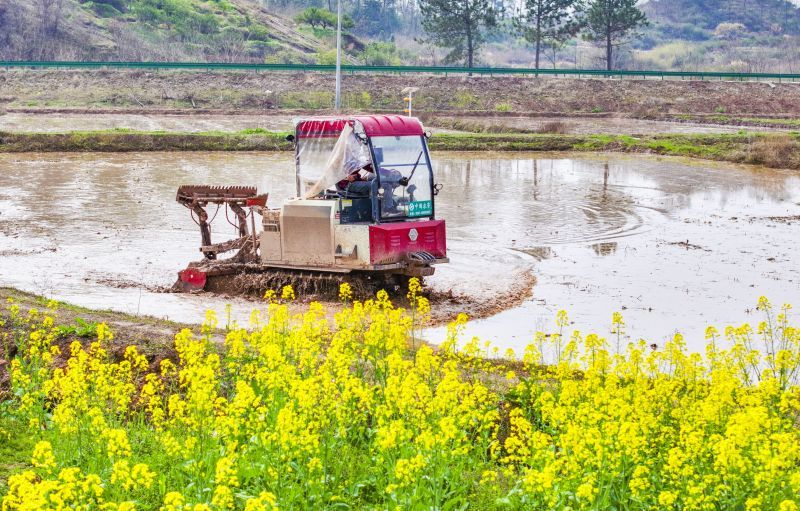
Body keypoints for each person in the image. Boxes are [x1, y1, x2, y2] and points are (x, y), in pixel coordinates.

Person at [336, 162, 401, 213]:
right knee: (375, 185)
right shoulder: (348, 159)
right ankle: (376, 211)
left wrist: (389, 173)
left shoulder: (360, 160)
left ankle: (388, 207)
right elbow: (344, 174)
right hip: (348, 184)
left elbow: (374, 168)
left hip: (357, 180)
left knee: (385, 184)